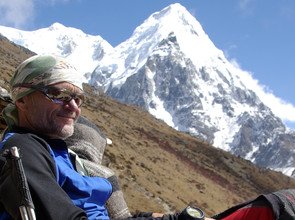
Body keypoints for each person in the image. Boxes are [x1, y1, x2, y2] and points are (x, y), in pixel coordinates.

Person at [0, 54, 215, 220]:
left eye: (78, 98)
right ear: (22, 100)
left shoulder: (58, 152)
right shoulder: (23, 149)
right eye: (59, 95)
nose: (73, 107)